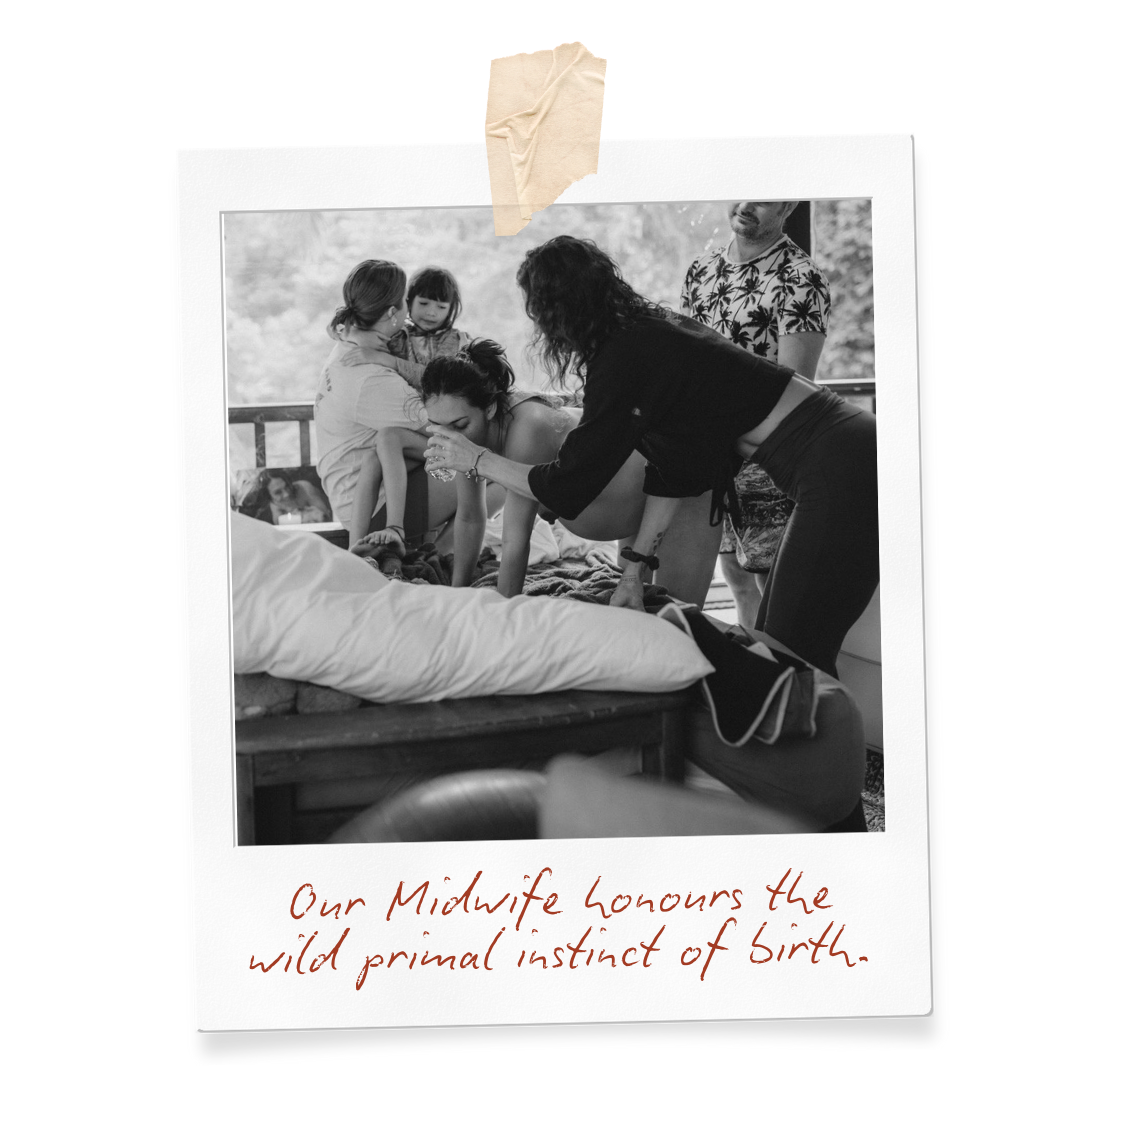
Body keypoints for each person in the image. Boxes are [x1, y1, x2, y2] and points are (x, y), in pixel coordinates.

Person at [425, 235, 878, 680]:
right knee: (778, 646)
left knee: (792, 660)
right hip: (843, 450)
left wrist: (477, 459)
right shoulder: (648, 332)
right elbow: (678, 470)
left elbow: (568, 485)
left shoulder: (625, 355)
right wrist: (633, 571)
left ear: (555, 312)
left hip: (840, 462)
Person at [681, 201, 831, 629]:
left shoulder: (801, 277)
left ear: (789, 205)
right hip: (711, 449)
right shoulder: (701, 269)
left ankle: (787, 666)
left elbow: (795, 385)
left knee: (772, 582)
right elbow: (685, 359)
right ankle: (752, 664)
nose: (747, 205)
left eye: (762, 197)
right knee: (734, 575)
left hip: (766, 453)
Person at [417, 338, 649, 595]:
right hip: (620, 515)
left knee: (668, 604)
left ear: (490, 408)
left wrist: (503, 609)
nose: (449, 437)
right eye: (436, 426)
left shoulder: (527, 427)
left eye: (459, 425)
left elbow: (515, 540)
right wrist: (457, 594)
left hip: (651, 495)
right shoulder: (464, 440)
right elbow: (470, 516)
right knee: (638, 598)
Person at [313, 260, 476, 552]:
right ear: (392, 312)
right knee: (494, 469)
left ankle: (426, 551)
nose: (428, 313)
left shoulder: (351, 348)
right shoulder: (372, 375)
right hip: (375, 507)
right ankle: (439, 554)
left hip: (357, 493)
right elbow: (449, 430)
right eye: (409, 301)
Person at [238, 469, 331, 525]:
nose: (286, 494)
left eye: (287, 486)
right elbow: (280, 525)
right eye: (278, 492)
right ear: (269, 496)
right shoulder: (274, 503)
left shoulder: (304, 488)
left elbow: (325, 517)